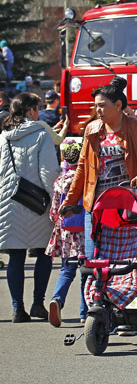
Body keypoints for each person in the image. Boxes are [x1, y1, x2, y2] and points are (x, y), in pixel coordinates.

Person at [60, 76, 137, 279]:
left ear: (118, 105)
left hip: (129, 206)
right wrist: (69, 201)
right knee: (94, 262)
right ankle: (92, 308)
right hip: (96, 207)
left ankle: (128, 299)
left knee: (129, 261)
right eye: (96, 106)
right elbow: (83, 168)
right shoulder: (92, 130)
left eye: (102, 105)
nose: (98, 110)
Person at [0, 92, 60, 322]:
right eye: (36, 108)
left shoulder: (4, 136)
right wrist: (57, 198)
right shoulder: (40, 134)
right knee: (44, 254)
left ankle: (18, 309)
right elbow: (47, 172)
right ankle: (37, 303)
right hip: (37, 202)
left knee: (15, 256)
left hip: (9, 202)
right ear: (30, 111)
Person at [45, 139, 87, 327]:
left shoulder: (60, 181)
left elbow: (54, 213)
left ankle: (57, 299)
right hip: (86, 233)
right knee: (88, 272)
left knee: (67, 270)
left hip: (67, 234)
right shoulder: (87, 178)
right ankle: (85, 312)